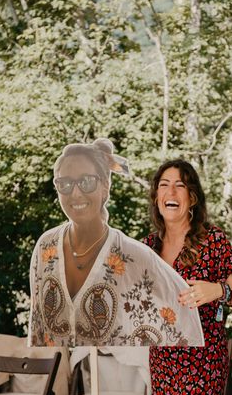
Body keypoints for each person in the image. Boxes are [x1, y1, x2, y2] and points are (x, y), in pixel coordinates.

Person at [28, 140, 204, 348]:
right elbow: (37, 331)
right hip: (56, 379)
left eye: (87, 181)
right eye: (65, 184)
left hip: (115, 380)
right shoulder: (45, 247)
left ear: (105, 186)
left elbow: (185, 311)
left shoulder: (133, 257)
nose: (75, 193)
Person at [143, 159, 232, 395]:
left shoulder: (214, 241)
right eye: (164, 185)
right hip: (163, 364)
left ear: (192, 197)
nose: (171, 191)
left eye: (180, 185)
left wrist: (218, 290)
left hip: (203, 365)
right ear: (156, 197)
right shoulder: (146, 248)